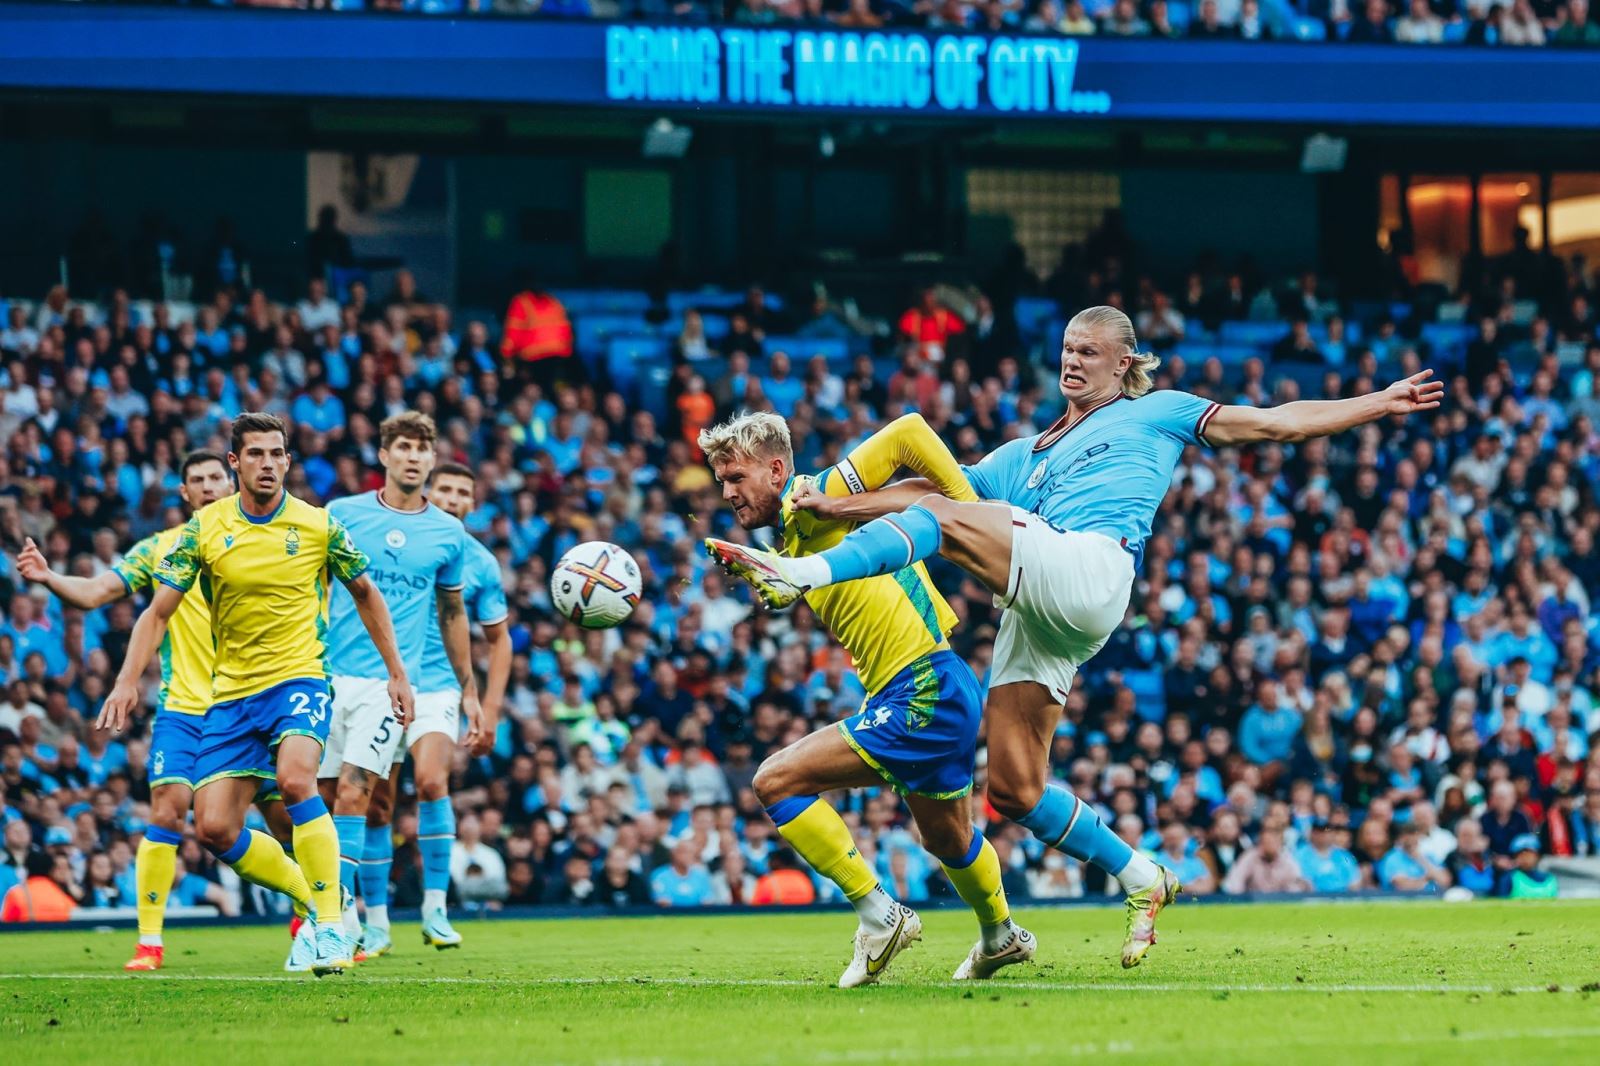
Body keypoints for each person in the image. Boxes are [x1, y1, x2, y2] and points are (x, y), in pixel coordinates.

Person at [708, 305, 1442, 966]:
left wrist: (1377, 402)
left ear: (1123, 363)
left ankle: (801, 575)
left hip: (1091, 567)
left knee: (946, 521)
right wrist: (841, 503)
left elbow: (1277, 421)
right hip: (1038, 604)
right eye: (1065, 348)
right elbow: (928, 495)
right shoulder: (1024, 454)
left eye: (1088, 351)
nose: (1072, 361)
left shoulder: (1155, 411)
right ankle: (1140, 875)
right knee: (1016, 791)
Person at [699, 411, 1033, 987]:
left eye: (736, 477)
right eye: (721, 482)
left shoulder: (817, 494)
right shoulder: (795, 533)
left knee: (774, 781)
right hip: (939, 683)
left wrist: (972, 521)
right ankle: (1000, 935)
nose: (727, 493)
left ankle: (881, 917)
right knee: (946, 838)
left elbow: (909, 433)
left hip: (922, 686)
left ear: (777, 469)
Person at [100, 412, 415, 976]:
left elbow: (366, 593)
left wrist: (397, 673)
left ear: (288, 461)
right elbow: (157, 611)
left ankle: (327, 929)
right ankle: (327, 903)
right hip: (232, 695)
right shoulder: (205, 530)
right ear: (235, 462)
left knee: (296, 780)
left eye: (277, 454)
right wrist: (126, 680)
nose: (267, 464)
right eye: (256, 455)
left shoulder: (318, 526)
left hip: (299, 678)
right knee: (215, 827)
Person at [14, 451, 297, 972]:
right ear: (185, 494)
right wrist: (49, 578)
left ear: (231, 479)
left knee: (283, 821)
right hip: (185, 708)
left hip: (253, 703)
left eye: (217, 477)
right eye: (198, 481)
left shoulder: (270, 539)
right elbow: (99, 590)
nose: (209, 486)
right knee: (166, 811)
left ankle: (310, 903)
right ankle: (149, 943)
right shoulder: (165, 548)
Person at [316, 412, 481, 956]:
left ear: (431, 461)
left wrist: (469, 688)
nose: (413, 457)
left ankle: (338, 921)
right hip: (327, 677)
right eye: (403, 447)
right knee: (324, 799)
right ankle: (356, 916)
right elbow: (311, 587)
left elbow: (453, 613)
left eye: (422, 449)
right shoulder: (341, 515)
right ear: (383, 455)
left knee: (357, 792)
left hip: (391, 684)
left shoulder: (447, 533)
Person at [361, 461, 511, 957]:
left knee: (430, 781)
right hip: (381, 683)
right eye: (442, 488)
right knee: (378, 802)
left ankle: (435, 910)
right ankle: (377, 922)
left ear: (471, 503)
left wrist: (485, 706)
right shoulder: (395, 540)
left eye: (461, 491)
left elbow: (499, 639)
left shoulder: (480, 563)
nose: (450, 497)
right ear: (429, 490)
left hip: (441, 687)